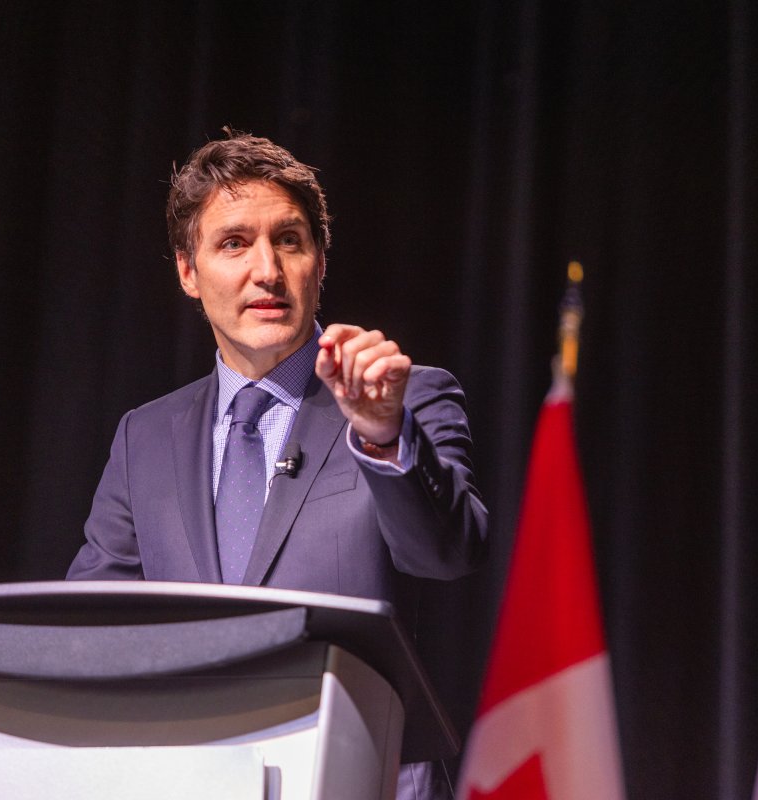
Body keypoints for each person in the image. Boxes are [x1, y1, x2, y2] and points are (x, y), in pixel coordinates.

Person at [66, 131, 489, 798]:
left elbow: (448, 552)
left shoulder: (408, 398)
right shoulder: (145, 437)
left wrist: (382, 433)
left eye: (289, 241)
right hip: (193, 778)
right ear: (187, 271)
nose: (266, 269)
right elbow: (87, 623)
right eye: (234, 243)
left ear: (320, 265)